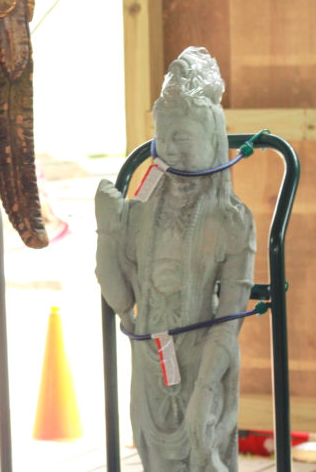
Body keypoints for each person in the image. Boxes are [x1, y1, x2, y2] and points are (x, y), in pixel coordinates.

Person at [95, 47, 256, 471]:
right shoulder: (142, 209)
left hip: (203, 358)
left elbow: (230, 320)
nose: (169, 150)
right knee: (156, 462)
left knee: (204, 456)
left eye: (182, 137)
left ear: (212, 139)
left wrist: (205, 387)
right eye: (162, 138)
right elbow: (118, 299)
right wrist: (108, 233)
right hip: (149, 361)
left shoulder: (230, 220)